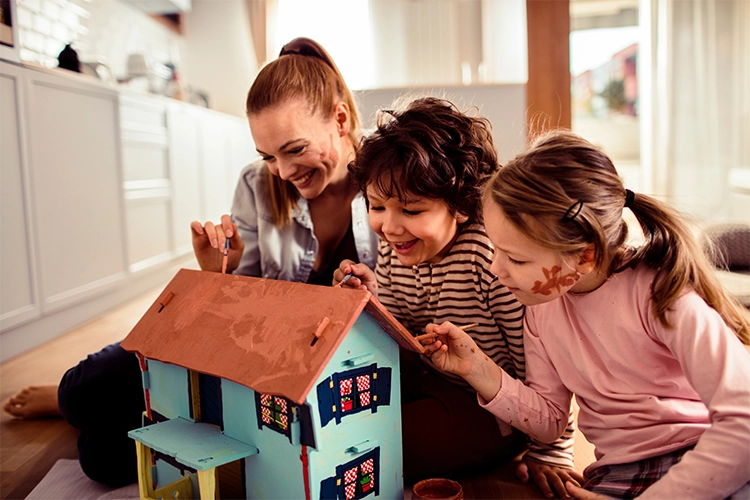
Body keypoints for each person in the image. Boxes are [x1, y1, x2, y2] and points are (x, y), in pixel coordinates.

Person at [3, 37, 378, 487]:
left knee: (99, 457)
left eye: (295, 150)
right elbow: (238, 318)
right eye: (268, 156)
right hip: (247, 352)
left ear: (339, 119)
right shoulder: (258, 184)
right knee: (79, 391)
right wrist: (221, 273)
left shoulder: (385, 182)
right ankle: (66, 404)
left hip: (297, 372)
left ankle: (105, 413)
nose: (281, 171)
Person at [421, 130, 750, 499]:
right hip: (620, 472)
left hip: (705, 456)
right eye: (496, 250)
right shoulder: (541, 308)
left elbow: (743, 422)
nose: (497, 268)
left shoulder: (663, 294)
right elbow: (548, 421)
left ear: (584, 256)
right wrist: (476, 368)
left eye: (516, 258)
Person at [334, 97, 580, 498]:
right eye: (376, 206)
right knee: (352, 422)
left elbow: (546, 370)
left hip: (495, 408)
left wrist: (550, 451)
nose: (390, 226)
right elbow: (401, 337)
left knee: (383, 446)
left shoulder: (491, 258)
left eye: (411, 210)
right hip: (434, 380)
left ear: (461, 206)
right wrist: (369, 298)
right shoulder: (397, 246)